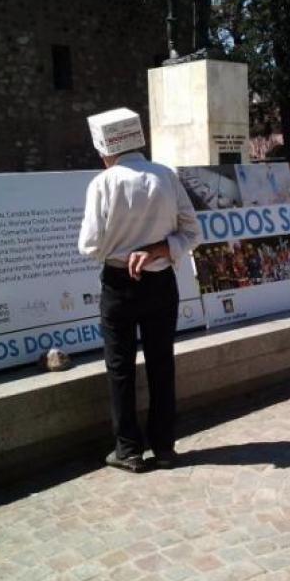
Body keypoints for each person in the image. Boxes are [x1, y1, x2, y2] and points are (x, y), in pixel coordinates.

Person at [78, 108, 200, 473]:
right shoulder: (166, 175)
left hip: (118, 284)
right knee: (162, 364)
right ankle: (164, 447)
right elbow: (193, 232)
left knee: (120, 367)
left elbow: (89, 245)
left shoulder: (102, 183)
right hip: (161, 283)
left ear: (105, 149)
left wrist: (122, 248)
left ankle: (128, 450)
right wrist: (158, 249)